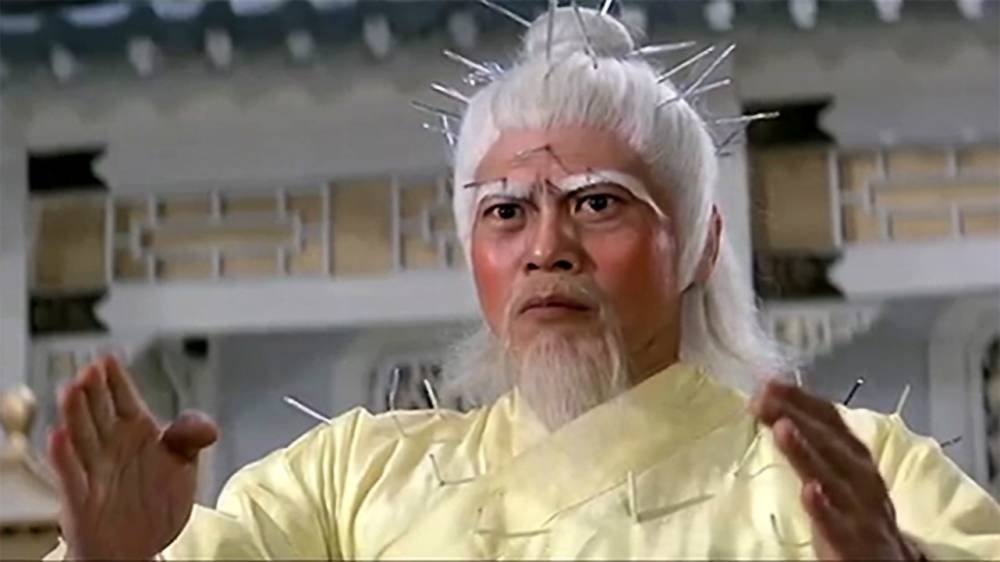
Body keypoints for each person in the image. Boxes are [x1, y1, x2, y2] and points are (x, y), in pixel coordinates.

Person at [46, 7, 999, 560]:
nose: (549, 247)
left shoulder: (857, 474)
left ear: (702, 245)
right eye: (506, 212)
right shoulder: (350, 484)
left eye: (597, 204)